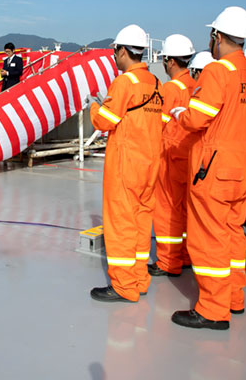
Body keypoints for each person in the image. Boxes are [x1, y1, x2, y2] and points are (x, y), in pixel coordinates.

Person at [170, 6, 246, 330]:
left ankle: (212, 309)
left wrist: (181, 113)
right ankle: (234, 298)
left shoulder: (216, 71)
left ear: (217, 36)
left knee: (209, 239)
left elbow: (198, 118)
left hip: (215, 169)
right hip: (245, 169)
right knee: (234, 236)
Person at [89, 24, 163, 303]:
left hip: (125, 165)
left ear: (122, 51)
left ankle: (123, 286)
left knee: (120, 223)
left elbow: (104, 121)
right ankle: (139, 278)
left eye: (115, 51)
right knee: (142, 222)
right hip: (149, 164)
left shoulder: (124, 83)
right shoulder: (155, 83)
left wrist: (94, 106)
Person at [149, 34, 197, 277]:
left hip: (170, 155)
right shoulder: (195, 85)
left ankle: (168, 261)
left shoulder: (170, 89)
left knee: (168, 209)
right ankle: (187, 254)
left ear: (169, 61)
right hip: (192, 154)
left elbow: (157, 124)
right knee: (188, 208)